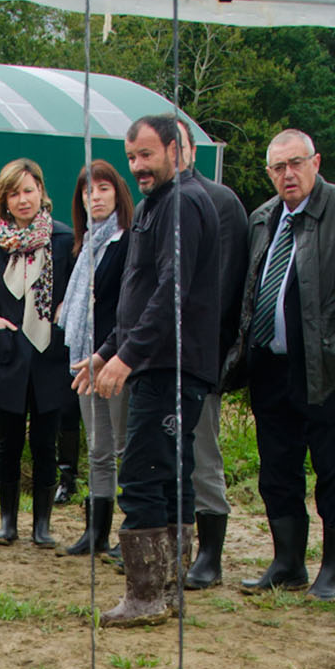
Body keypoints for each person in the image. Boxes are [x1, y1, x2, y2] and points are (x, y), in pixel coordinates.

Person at [74, 115, 220, 626]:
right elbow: (139, 295)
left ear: (176, 151)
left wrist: (128, 357)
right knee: (170, 475)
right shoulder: (159, 206)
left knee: (142, 474)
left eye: (146, 155)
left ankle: (145, 595)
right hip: (160, 361)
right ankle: (167, 589)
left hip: (169, 366)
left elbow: (170, 293)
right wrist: (106, 350)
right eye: (131, 157)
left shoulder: (181, 204)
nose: (137, 166)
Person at [236, 128, 335, 604]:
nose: (288, 174)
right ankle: (287, 564)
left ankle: (331, 569)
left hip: (327, 369)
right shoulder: (263, 218)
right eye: (278, 167)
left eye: (296, 163)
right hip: (271, 368)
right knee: (277, 470)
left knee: (334, 468)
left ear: (315, 162)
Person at [0, 159, 74, 548]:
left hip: (49, 355)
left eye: (28, 190)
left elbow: (77, 290)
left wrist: (66, 311)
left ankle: (42, 525)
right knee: (9, 444)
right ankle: (7, 523)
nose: (22, 199)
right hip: (8, 355)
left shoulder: (63, 239)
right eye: (14, 193)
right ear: (5, 199)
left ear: (41, 193)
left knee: (45, 443)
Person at [176, 126, 249, 590]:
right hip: (158, 359)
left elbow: (225, 287)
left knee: (203, 455)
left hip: (200, 357)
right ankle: (174, 545)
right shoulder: (155, 204)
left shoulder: (219, 201)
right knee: (170, 457)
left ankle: (210, 555)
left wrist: (212, 358)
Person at [56, 158, 133, 559]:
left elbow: (128, 306)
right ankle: (96, 532)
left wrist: (110, 353)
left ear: (117, 193)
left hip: (117, 359)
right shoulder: (84, 246)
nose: (96, 197)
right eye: (88, 191)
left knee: (124, 447)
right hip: (85, 358)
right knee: (98, 447)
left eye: (103, 188)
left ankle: (132, 530)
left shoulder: (128, 241)